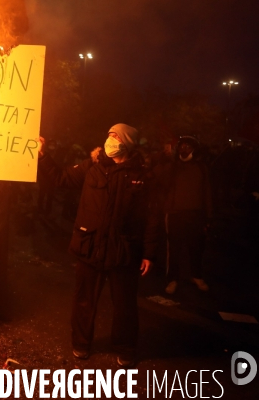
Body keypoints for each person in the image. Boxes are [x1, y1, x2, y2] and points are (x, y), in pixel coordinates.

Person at [38, 124, 159, 367]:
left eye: (115, 136)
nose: (109, 140)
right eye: (109, 135)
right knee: (84, 300)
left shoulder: (142, 176)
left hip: (123, 250)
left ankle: (125, 348)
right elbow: (60, 177)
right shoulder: (92, 166)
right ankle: (81, 344)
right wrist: (42, 156)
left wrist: (149, 253)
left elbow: (151, 217)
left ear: (126, 144)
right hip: (90, 245)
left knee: (124, 304)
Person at [155, 136, 212, 294]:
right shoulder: (173, 166)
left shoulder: (201, 168)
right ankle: (172, 279)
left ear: (194, 149)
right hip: (175, 214)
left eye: (188, 146)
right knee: (174, 249)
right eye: (182, 146)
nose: (184, 149)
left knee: (196, 248)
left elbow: (206, 192)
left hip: (195, 214)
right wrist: (163, 161)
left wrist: (208, 217)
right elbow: (159, 180)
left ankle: (196, 276)